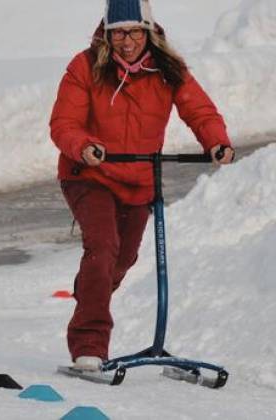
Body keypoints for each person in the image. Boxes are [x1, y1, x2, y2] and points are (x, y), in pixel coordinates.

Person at [50, 0, 234, 372]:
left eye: (134, 32)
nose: (127, 41)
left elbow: (199, 110)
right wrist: (84, 147)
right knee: (103, 246)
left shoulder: (168, 69)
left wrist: (216, 142)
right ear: (107, 33)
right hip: (89, 174)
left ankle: (91, 289)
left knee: (121, 259)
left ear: (149, 31)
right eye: (118, 33)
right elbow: (63, 123)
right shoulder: (85, 66)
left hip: (139, 180)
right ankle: (89, 345)